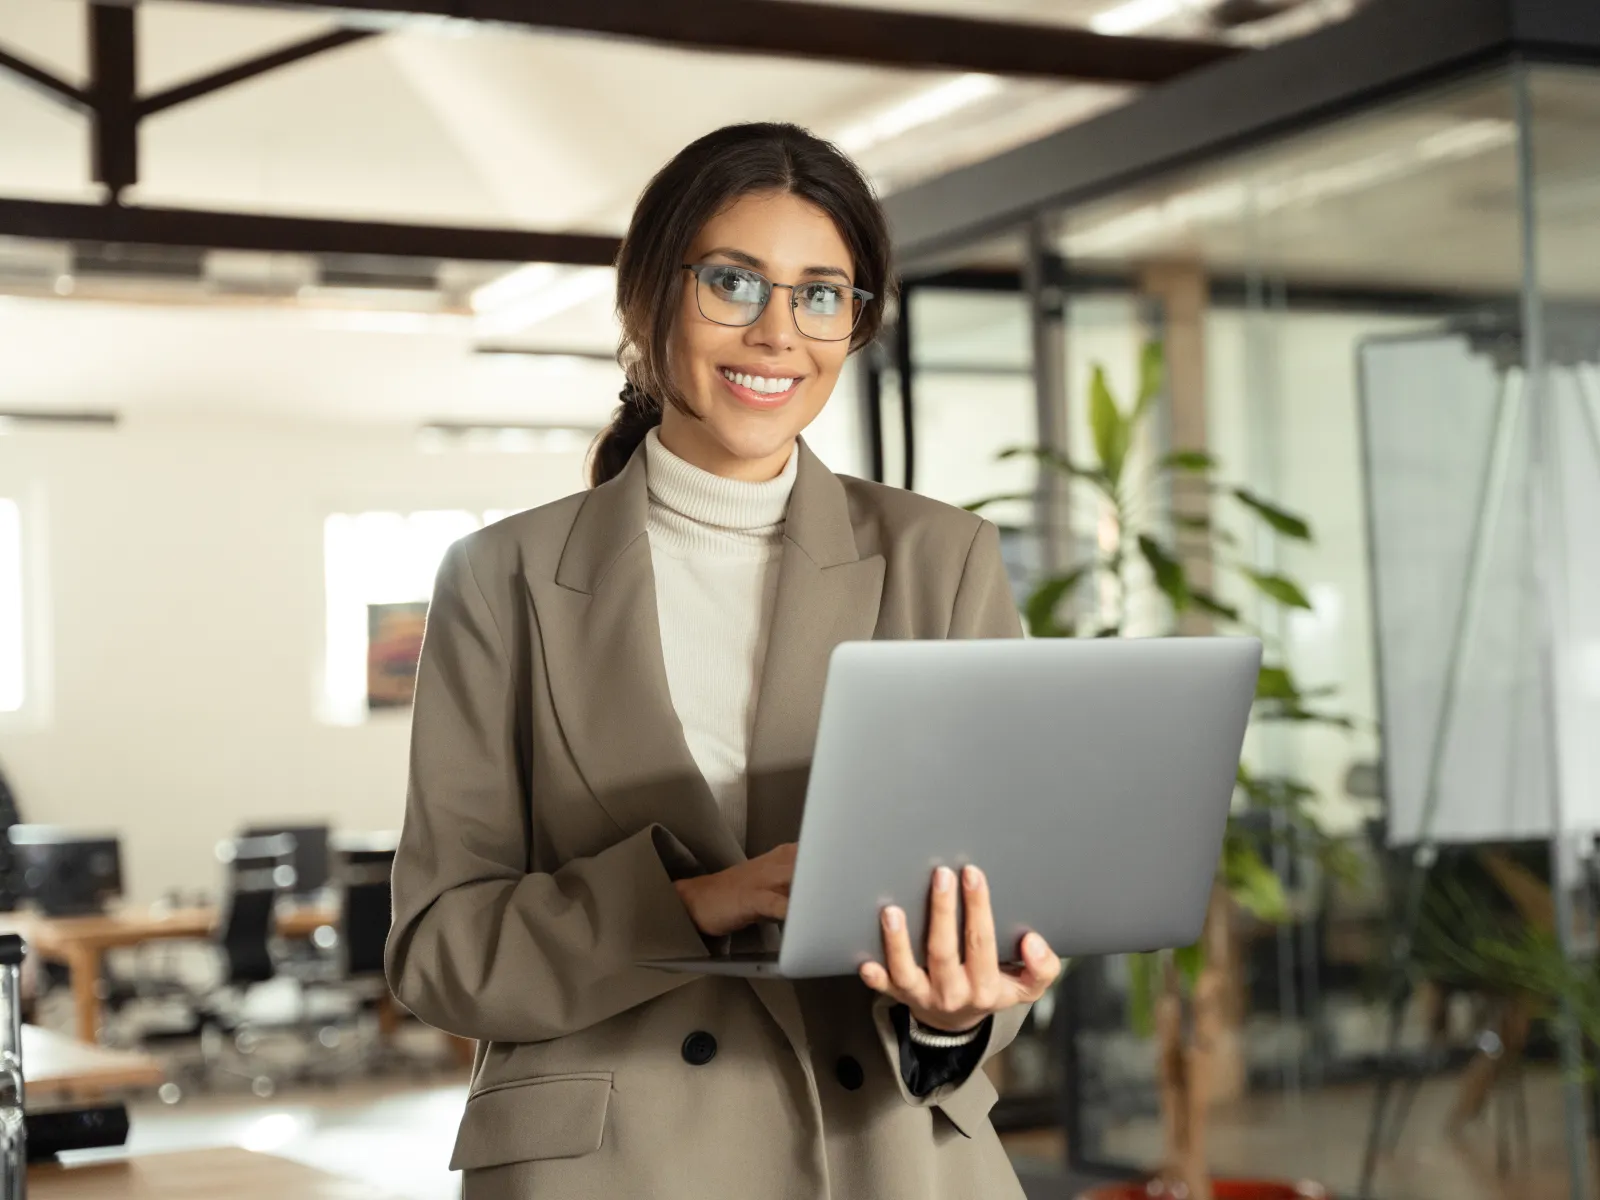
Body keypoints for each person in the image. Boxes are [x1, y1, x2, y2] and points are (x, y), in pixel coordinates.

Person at [384, 122, 1062, 1200]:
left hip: (885, 1156)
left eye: (821, 294)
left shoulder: (940, 558)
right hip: (613, 1168)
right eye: (734, 284)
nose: (777, 334)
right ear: (649, 298)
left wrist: (958, 1009)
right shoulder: (500, 577)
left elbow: (994, 902)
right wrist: (694, 900)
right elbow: (440, 953)